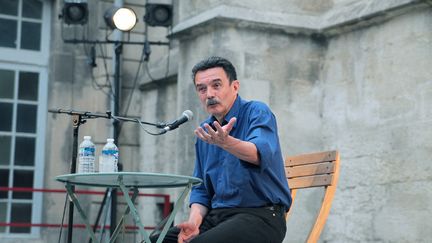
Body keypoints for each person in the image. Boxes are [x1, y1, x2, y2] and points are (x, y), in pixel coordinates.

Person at [151, 56, 291, 243]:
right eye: (202, 89)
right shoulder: (206, 131)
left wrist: (226, 143)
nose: (209, 94)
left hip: (260, 216)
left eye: (216, 85)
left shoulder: (256, 111)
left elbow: (258, 153)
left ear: (234, 87)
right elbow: (202, 190)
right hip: (217, 218)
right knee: (157, 240)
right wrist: (194, 223)